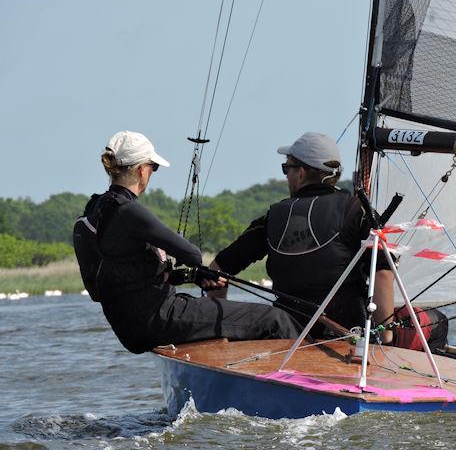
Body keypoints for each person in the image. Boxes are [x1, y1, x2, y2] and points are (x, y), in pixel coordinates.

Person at [74, 130, 301, 354]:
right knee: (274, 319)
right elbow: (192, 255)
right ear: (142, 170)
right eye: (154, 167)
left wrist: (192, 276)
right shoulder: (129, 211)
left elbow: (126, 279)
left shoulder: (95, 211)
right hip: (160, 318)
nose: (152, 173)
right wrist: (192, 263)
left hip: (130, 327)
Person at [208, 132, 395, 342]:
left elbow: (216, 270)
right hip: (348, 340)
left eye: (287, 168)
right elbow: (383, 273)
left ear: (302, 173)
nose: (286, 175)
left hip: (286, 339)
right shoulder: (357, 211)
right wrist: (386, 338)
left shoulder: (273, 217)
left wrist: (219, 337)